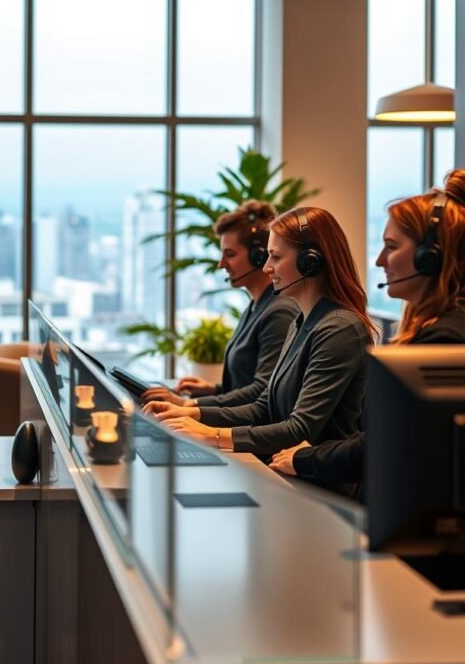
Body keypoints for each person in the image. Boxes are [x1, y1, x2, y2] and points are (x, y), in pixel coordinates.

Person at [270, 168, 465, 487]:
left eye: (391, 246)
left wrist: (304, 458)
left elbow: (387, 446)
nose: (378, 260)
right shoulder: (442, 327)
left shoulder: (444, 338)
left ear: (430, 257)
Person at [144, 206, 376, 459]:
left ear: (310, 262)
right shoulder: (303, 321)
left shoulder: (339, 329)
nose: (266, 267)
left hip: (314, 486)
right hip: (280, 471)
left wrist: (210, 434)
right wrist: (190, 413)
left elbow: (300, 429)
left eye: (275, 257)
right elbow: (263, 407)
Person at [143, 200, 298, 411]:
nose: (221, 263)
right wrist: (214, 389)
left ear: (259, 256)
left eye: (230, 254)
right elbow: (245, 382)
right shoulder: (256, 306)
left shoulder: (279, 312)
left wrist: (188, 404)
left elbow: (263, 391)